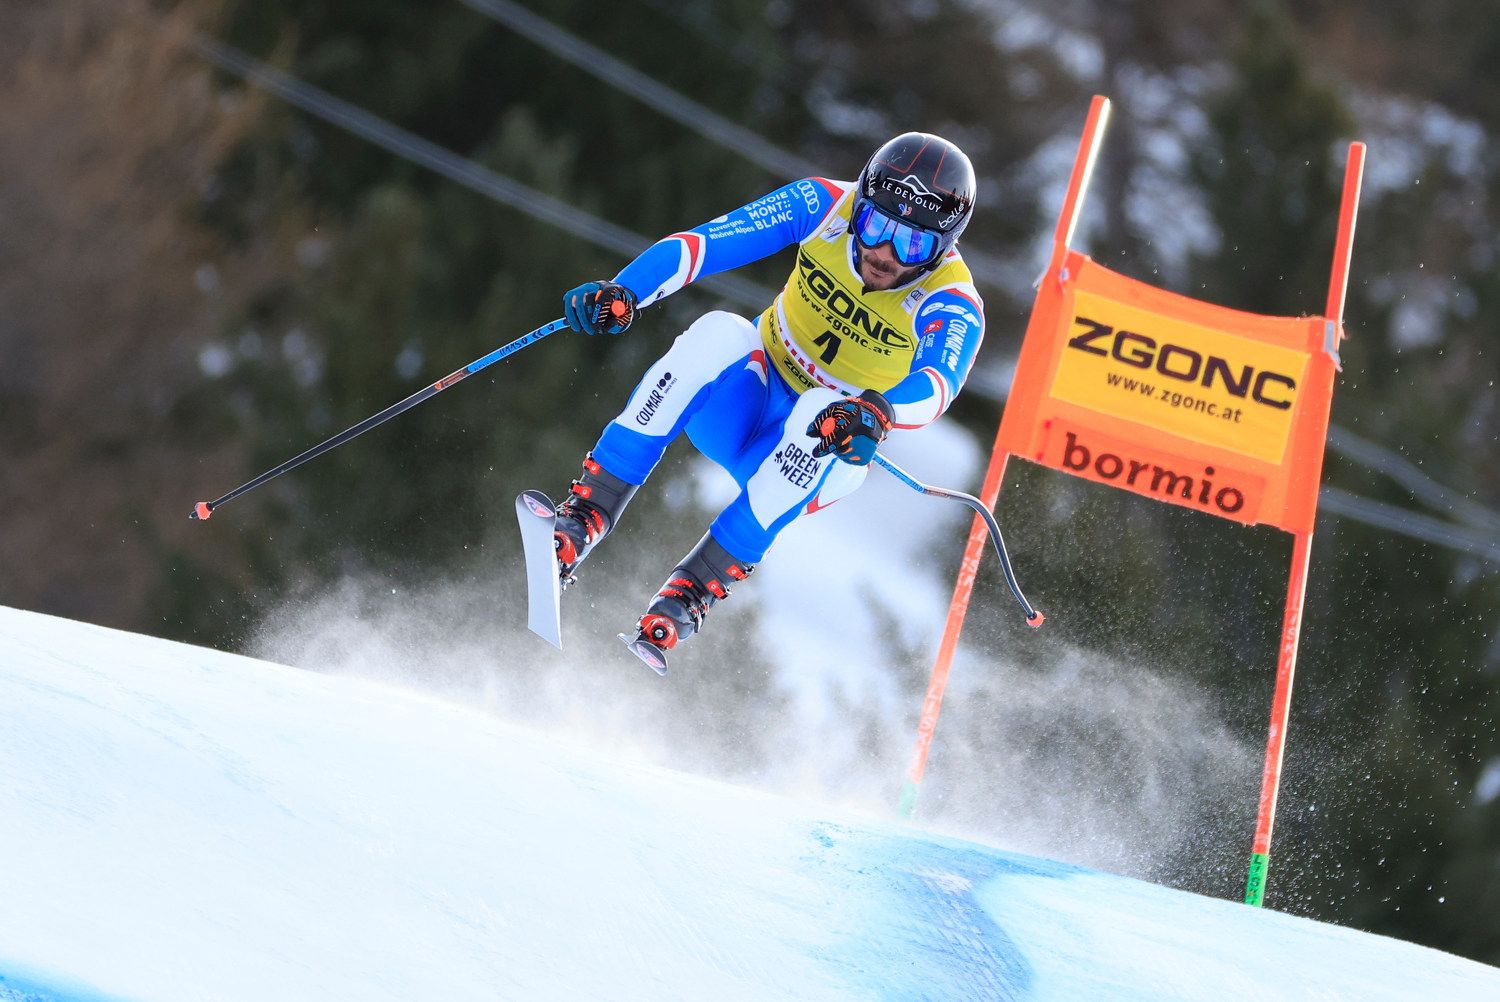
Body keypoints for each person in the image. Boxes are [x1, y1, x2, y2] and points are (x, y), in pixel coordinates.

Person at [550, 132, 985, 667]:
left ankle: (691, 593)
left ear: (944, 246)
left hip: (818, 448)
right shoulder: (824, 206)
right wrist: (627, 290)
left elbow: (939, 382)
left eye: (912, 244)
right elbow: (705, 245)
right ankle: (585, 515)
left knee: (819, 409)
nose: (883, 253)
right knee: (720, 330)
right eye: (875, 225)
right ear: (860, 207)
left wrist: (877, 412)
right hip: (741, 403)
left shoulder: (952, 298)